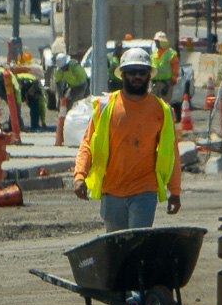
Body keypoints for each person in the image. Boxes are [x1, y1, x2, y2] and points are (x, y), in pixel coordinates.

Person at [73, 47, 183, 231]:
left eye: (142, 72)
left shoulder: (162, 111)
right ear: (122, 74)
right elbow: (87, 144)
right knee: (116, 246)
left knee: (137, 243)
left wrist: (175, 191)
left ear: (149, 75)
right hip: (112, 190)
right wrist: (79, 176)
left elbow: (172, 153)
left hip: (145, 190)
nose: (137, 76)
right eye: (132, 72)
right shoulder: (105, 107)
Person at [150, 31, 179, 102]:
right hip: (155, 83)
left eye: (157, 41)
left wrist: (174, 79)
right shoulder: (154, 54)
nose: (156, 43)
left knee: (165, 105)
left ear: (162, 42)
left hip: (166, 84)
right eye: (155, 41)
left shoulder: (171, 54)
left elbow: (175, 67)